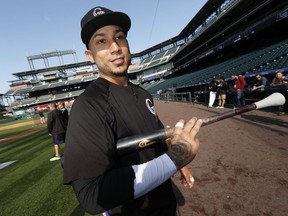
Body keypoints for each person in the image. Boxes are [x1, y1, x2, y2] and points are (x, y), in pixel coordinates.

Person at [63, 6, 203, 216]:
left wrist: (178, 164)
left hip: (166, 205)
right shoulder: (88, 105)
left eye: (119, 37)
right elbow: (92, 195)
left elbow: (157, 136)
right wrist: (175, 159)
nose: (115, 47)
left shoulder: (143, 94)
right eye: (101, 41)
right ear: (89, 55)